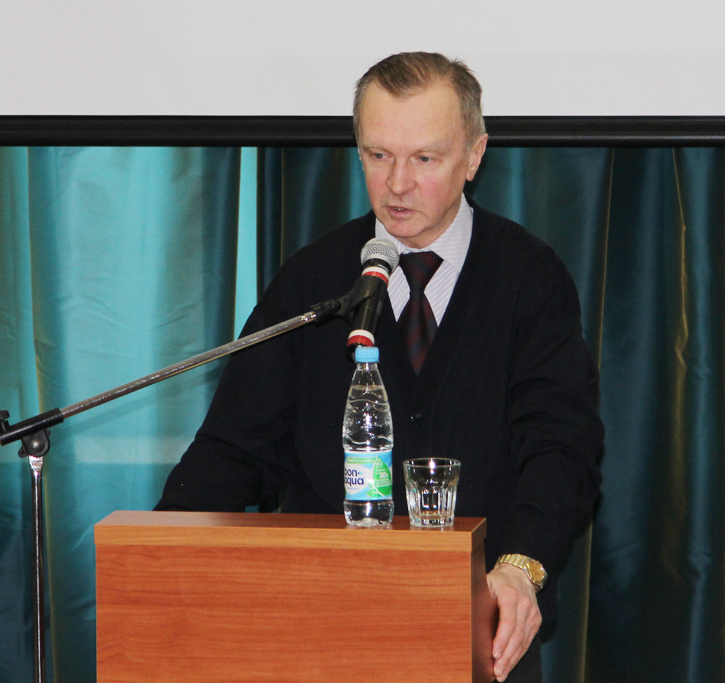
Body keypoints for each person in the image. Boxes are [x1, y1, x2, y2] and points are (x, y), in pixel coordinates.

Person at [157, 52, 603, 683]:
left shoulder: (528, 277)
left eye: (424, 158)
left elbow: (561, 446)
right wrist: (159, 557)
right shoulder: (313, 280)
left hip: (478, 629)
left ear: (474, 156)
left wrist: (521, 566)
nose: (397, 184)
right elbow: (235, 449)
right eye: (377, 155)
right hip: (322, 630)